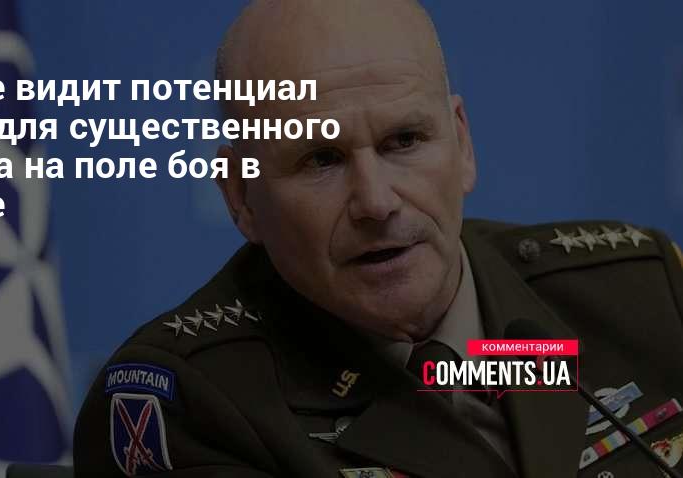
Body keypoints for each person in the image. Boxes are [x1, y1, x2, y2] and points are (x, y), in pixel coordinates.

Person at [73, 1, 683, 477]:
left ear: (462, 144)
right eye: (321, 159)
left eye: (404, 141)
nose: (376, 201)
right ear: (241, 197)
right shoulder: (190, 406)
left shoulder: (637, 292)